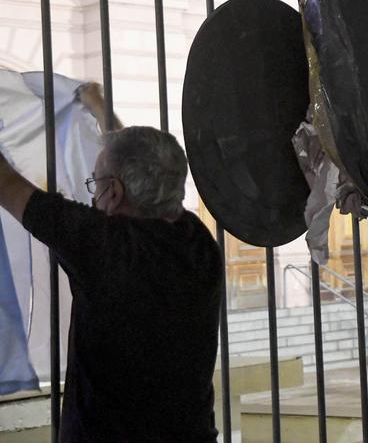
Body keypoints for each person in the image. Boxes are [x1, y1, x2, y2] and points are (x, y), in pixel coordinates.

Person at [0, 121, 223, 442]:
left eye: (95, 184)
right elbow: (151, 165)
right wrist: (98, 107)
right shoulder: (200, 245)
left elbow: (7, 182)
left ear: (115, 192)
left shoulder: (102, 244)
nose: (93, 198)